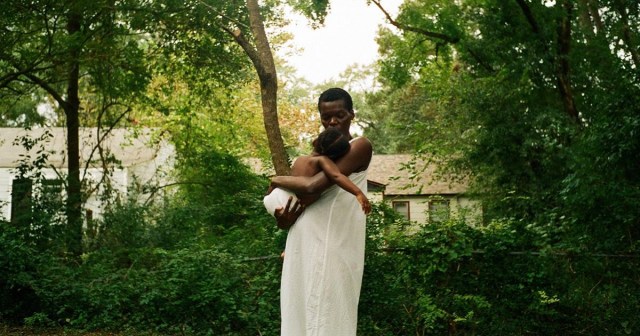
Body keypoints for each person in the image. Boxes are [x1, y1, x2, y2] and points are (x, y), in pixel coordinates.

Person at [263, 88, 373, 336]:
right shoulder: (318, 154)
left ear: (352, 114)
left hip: (333, 244)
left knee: (328, 315)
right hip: (302, 243)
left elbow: (313, 187)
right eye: (326, 117)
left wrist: (276, 178)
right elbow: (301, 203)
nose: (332, 122)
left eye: (340, 115)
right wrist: (284, 221)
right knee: (298, 314)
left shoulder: (360, 146)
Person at [269, 126, 371, 216]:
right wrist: (358, 192)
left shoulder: (300, 159)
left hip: (275, 197)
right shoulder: (321, 160)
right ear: (333, 157)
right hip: (289, 204)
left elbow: (292, 180)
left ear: (315, 142)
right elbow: (337, 176)